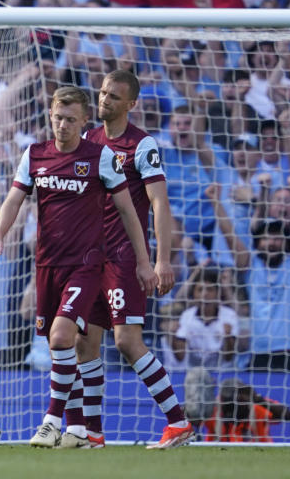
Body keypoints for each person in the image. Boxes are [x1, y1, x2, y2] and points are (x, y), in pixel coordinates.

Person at [0, 85, 152, 448]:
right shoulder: (34, 155)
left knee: (62, 338)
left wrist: (143, 260)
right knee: (60, 347)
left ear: (84, 121)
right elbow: (14, 200)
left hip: (86, 265)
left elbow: (128, 211)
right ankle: (78, 429)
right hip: (46, 265)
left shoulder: (101, 157)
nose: (63, 126)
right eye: (58, 118)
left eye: (71, 120)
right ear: (50, 116)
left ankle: (50, 421)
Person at [75, 70, 196, 449]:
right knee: (84, 345)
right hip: (90, 258)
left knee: (127, 341)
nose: (104, 100)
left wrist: (161, 260)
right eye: (102, 93)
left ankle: (178, 422)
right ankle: (93, 433)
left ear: (131, 104)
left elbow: (159, 203)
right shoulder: (87, 140)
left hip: (125, 257)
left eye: (113, 96)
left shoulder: (141, 145)